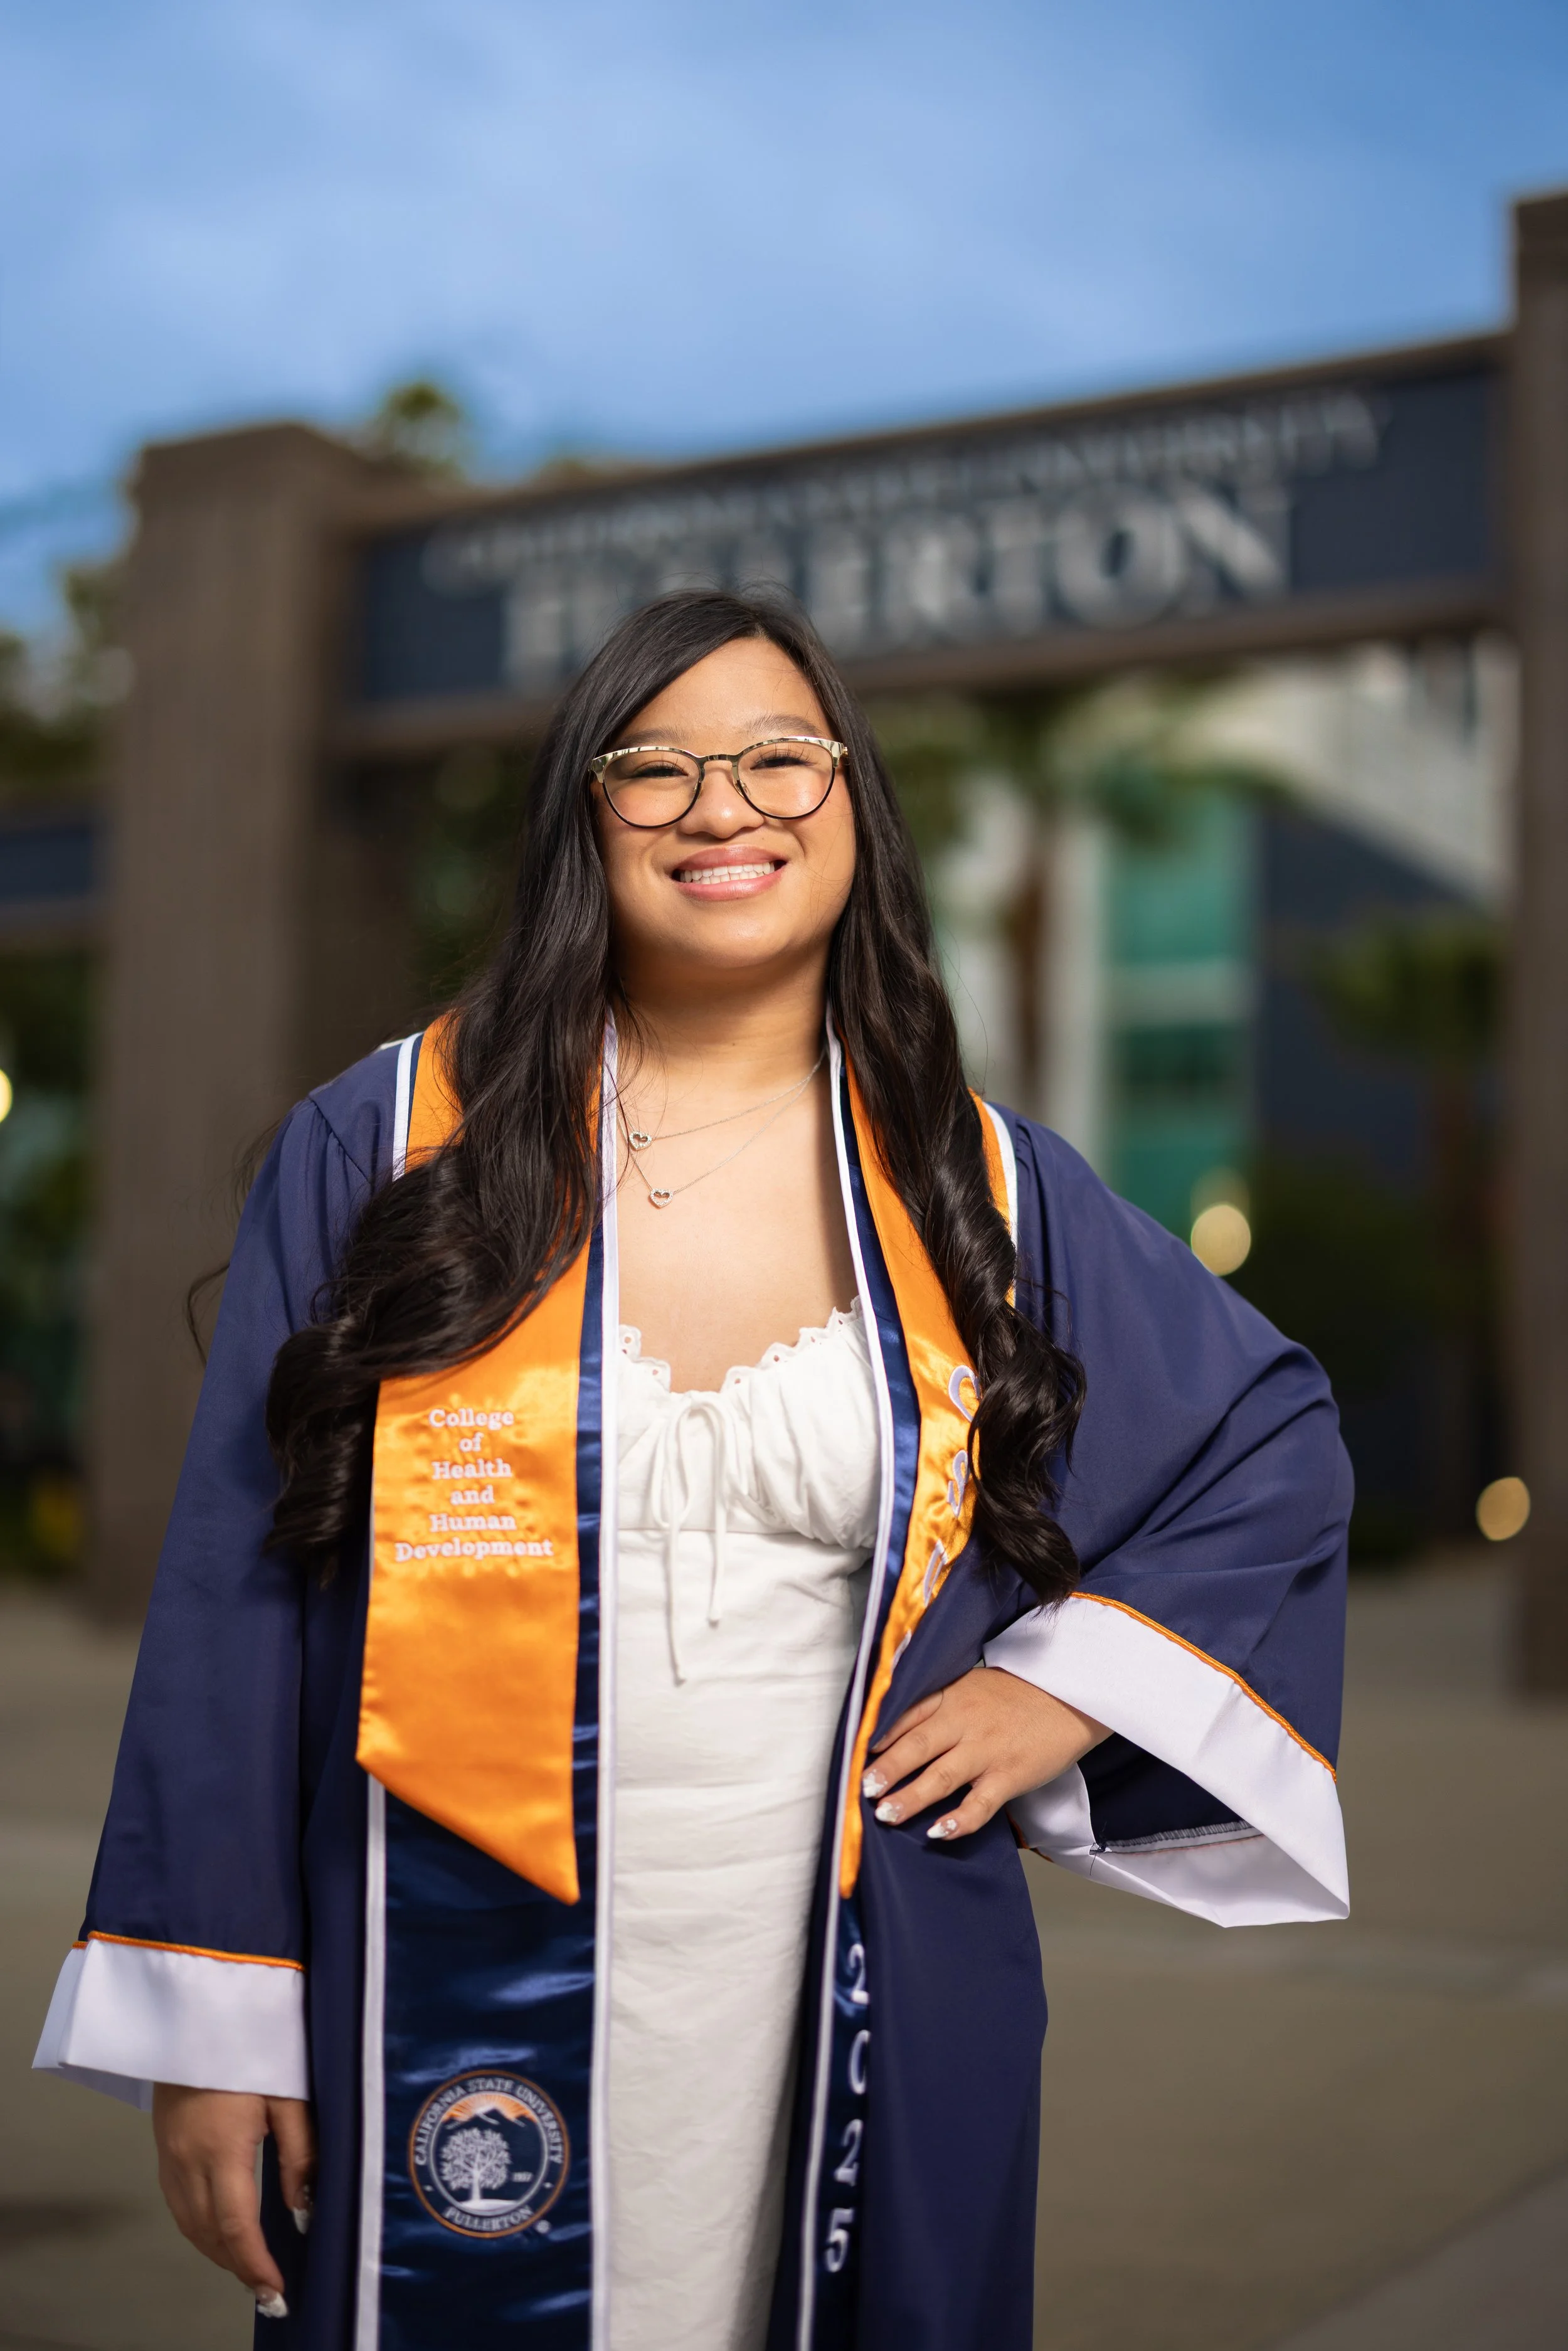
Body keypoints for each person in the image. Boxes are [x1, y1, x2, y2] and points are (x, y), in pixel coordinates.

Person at [35, 590, 1351, 2351]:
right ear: (584, 822)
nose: (720, 806)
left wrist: (1064, 1686)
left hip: (857, 1959)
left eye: (778, 758)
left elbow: (1269, 1433)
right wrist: (217, 2018)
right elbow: (237, 1594)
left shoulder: (977, 1183)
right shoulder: (397, 1142)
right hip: (439, 1955)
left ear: (852, 805)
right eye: (651, 768)